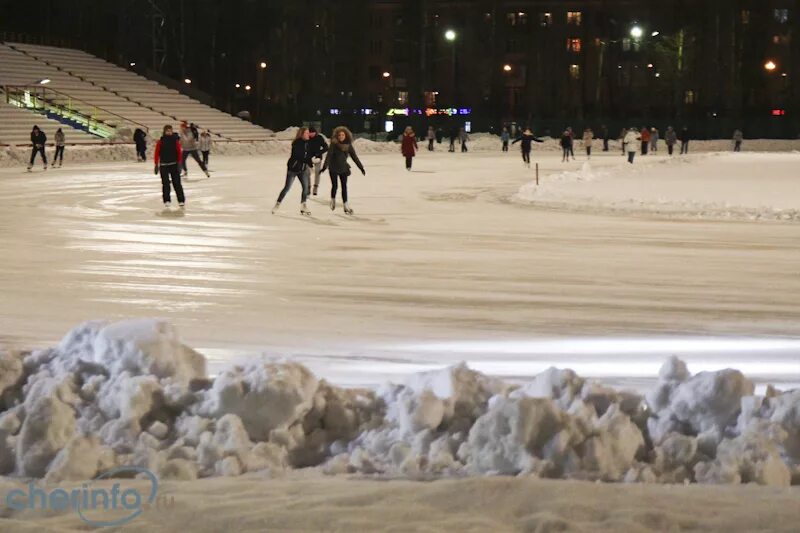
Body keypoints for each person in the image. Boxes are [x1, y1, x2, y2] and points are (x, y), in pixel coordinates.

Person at [321, 126, 365, 215]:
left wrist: (361, 167)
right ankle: (333, 199)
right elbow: (329, 156)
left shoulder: (348, 145)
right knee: (335, 186)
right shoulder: (333, 144)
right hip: (333, 168)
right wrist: (325, 166)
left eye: (343, 135)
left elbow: (354, 157)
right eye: (339, 135)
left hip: (344, 168)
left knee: (344, 186)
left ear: (346, 136)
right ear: (337, 136)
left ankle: (346, 205)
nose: (341, 136)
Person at [272, 127, 313, 215]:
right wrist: (309, 161)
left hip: (303, 169)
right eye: (306, 133)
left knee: (305, 188)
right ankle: (277, 204)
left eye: (308, 133)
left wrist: (312, 161)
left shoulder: (308, 143)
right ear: (301, 134)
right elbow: (299, 156)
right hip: (293, 169)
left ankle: (303, 205)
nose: (308, 134)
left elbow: (308, 155)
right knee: (287, 188)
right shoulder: (297, 143)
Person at [153, 124, 185, 208]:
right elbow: (157, 153)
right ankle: (167, 200)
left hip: (174, 164)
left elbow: (179, 152)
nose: (169, 132)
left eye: (170, 131)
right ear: (164, 132)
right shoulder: (160, 142)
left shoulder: (175, 141)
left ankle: (181, 200)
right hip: (164, 165)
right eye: (167, 131)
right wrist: (156, 164)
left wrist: (179, 163)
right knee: (165, 183)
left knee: (177, 183)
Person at [307, 126, 329, 195]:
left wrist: (319, 152)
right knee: (307, 173)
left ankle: (315, 187)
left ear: (315, 132)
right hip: (308, 158)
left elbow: (326, 147)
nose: (311, 134)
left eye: (312, 133)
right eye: (310, 133)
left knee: (317, 172)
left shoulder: (319, 138)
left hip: (318, 158)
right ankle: (308, 187)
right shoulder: (306, 138)